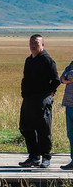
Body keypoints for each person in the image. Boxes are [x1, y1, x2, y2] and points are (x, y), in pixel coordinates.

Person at [18, 34, 60, 168]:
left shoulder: (47, 60)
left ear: (43, 45)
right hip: (29, 99)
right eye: (31, 43)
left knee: (43, 128)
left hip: (42, 99)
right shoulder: (28, 60)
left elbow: (56, 80)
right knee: (25, 127)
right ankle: (33, 156)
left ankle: (46, 157)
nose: (33, 45)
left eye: (36, 43)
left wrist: (48, 94)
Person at [61, 60, 73, 171]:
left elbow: (68, 77)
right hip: (69, 104)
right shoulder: (71, 64)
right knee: (71, 134)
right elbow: (62, 78)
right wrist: (67, 79)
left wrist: (68, 78)